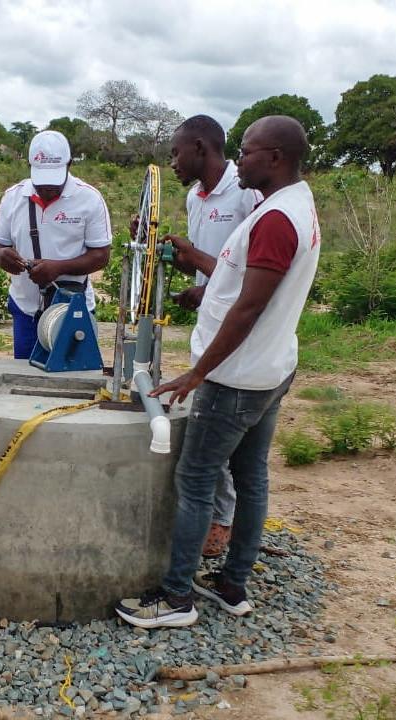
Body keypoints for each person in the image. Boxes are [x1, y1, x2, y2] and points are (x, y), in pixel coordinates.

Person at [116, 116, 321, 629]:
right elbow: (239, 284)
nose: (240, 159)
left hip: (236, 378)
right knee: (251, 477)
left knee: (196, 479)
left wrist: (197, 374)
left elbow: (248, 309)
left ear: (274, 157)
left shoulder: (275, 219)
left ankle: (176, 597)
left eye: (248, 151)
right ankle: (232, 585)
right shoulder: (292, 206)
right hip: (271, 367)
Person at [165, 115, 261, 559]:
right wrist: (176, 258)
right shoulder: (194, 198)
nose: (172, 162)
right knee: (219, 434)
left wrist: (206, 275)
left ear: (201, 147)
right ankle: (226, 523)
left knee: (220, 439)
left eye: (176, 152)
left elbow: (251, 274)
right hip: (210, 325)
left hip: (238, 332)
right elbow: (205, 267)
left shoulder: (247, 194)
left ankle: (220, 524)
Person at [0, 130, 112, 358]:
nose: (47, 190)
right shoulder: (13, 198)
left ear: (69, 164)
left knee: (73, 380)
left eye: (53, 182)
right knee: (25, 381)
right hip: (26, 310)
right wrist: (1, 255)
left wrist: (58, 268)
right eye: (41, 182)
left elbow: (101, 255)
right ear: (29, 166)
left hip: (71, 310)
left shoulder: (89, 199)